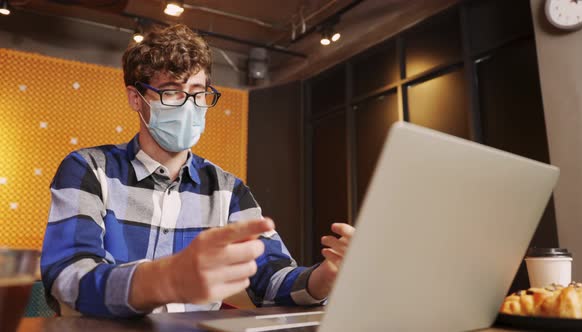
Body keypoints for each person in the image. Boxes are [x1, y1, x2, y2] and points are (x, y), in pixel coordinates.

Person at [40, 24, 355, 318]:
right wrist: (165, 280)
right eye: (173, 91)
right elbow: (68, 274)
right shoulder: (89, 169)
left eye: (198, 91)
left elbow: (271, 276)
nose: (189, 105)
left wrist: (325, 277)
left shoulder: (228, 190)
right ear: (136, 98)